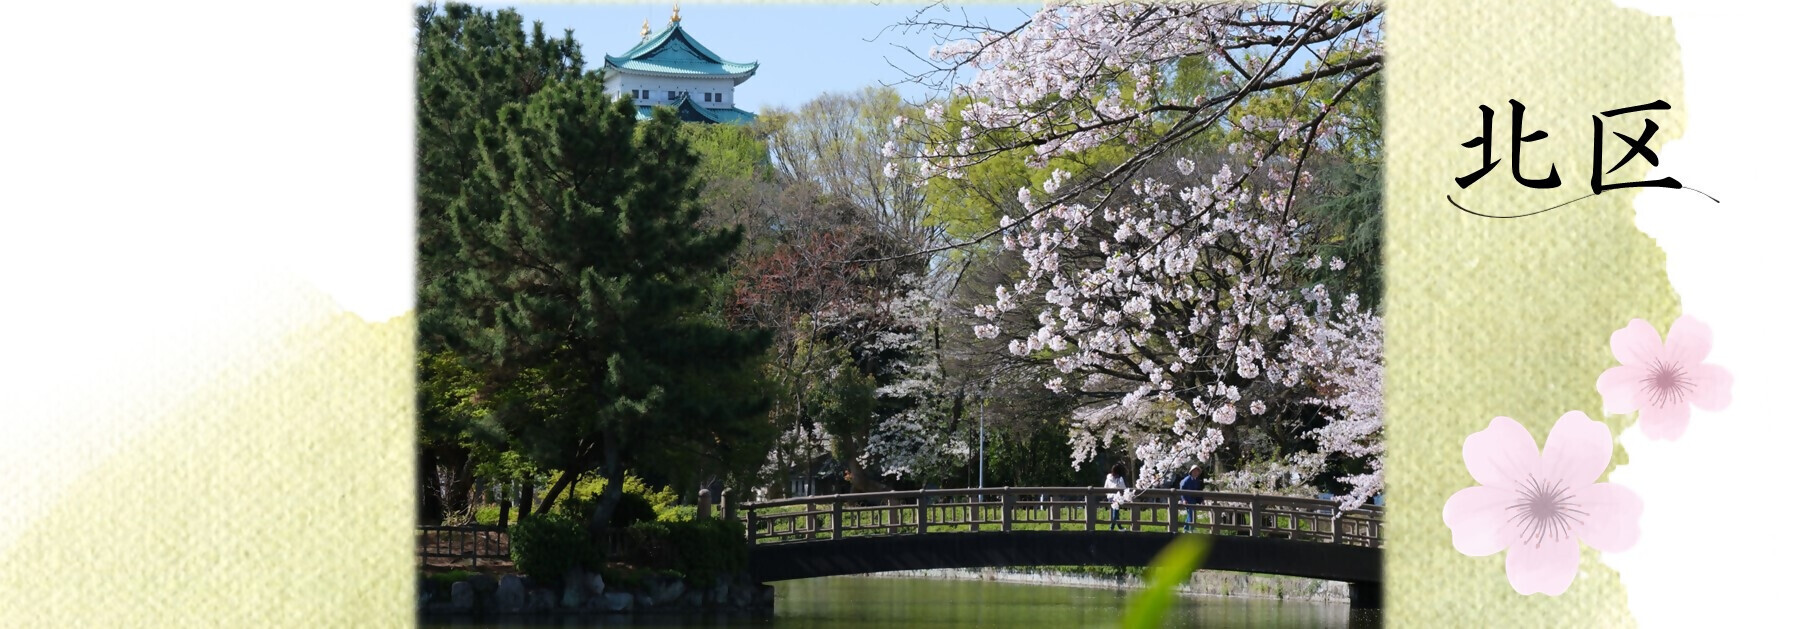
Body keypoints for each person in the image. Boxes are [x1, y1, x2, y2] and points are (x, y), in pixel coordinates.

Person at [1178, 465, 1204, 532]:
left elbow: (1198, 492)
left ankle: (1186, 529)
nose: (1196, 473)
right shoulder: (1187, 480)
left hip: (1193, 500)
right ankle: (1191, 529)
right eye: (1194, 471)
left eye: (1197, 471)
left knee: (1191, 514)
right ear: (1191, 472)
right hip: (1187, 499)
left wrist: (1201, 500)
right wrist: (1183, 500)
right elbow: (1182, 490)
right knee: (1191, 513)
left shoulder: (1197, 481)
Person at [1104, 463, 1128, 529]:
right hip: (1116, 497)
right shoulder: (1120, 479)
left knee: (1116, 513)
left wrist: (1108, 495)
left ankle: (1119, 527)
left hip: (1110, 497)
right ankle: (1111, 527)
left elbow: (1105, 488)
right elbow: (1124, 488)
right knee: (1115, 512)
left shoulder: (1108, 478)